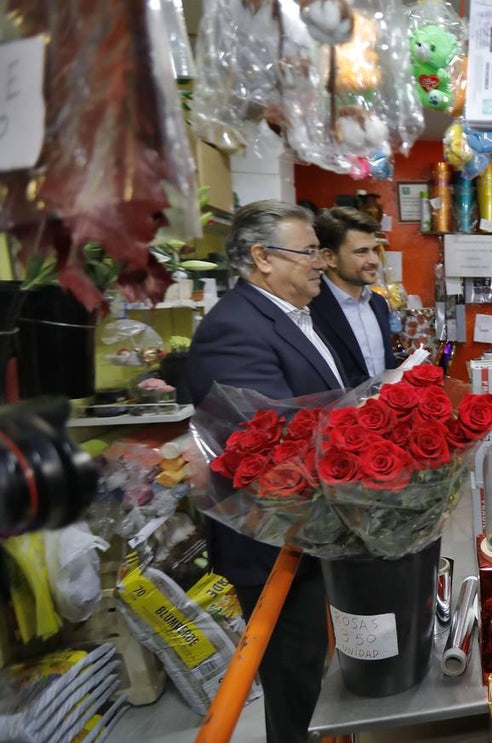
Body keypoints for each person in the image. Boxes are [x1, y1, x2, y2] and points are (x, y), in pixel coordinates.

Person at [188, 200, 344, 743]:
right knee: (296, 683)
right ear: (262, 257)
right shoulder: (234, 329)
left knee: (318, 674)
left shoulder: (294, 315)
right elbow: (267, 435)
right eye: (309, 251)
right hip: (275, 538)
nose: (320, 262)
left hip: (312, 531)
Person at [310, 206, 398, 387]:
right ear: (330, 257)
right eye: (361, 252)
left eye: (374, 250)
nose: (374, 260)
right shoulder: (308, 309)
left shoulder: (378, 303)